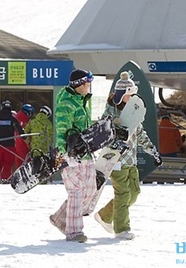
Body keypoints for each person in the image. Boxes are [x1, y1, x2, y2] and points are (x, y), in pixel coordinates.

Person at [94, 71, 162, 240]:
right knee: (123, 194)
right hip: (116, 161)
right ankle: (122, 229)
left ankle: (104, 215)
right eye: (130, 95)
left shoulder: (134, 113)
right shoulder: (110, 113)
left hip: (130, 161)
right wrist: (115, 135)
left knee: (134, 193)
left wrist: (152, 151)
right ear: (121, 95)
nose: (133, 98)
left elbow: (140, 134)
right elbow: (102, 134)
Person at [49, 69, 96, 243]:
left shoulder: (83, 101)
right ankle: (74, 232)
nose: (89, 85)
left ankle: (60, 218)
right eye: (87, 83)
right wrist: (65, 154)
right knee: (76, 192)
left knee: (90, 191)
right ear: (79, 85)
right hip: (70, 155)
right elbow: (62, 131)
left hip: (86, 153)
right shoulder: (66, 104)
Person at [0, 100, 25, 184]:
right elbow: (20, 130)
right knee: (8, 163)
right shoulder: (12, 119)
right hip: (9, 145)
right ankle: (5, 179)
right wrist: (24, 137)